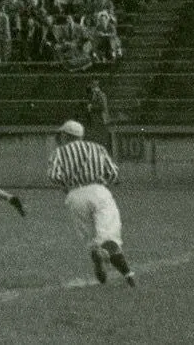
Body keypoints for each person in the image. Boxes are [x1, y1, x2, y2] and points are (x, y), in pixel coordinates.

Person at [49, 119, 135, 286]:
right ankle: (122, 269)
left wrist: (67, 185)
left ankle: (116, 267)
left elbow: (53, 175)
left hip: (75, 196)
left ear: (66, 136)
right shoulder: (97, 148)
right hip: (98, 190)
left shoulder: (59, 152)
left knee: (92, 239)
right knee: (109, 236)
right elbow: (113, 173)